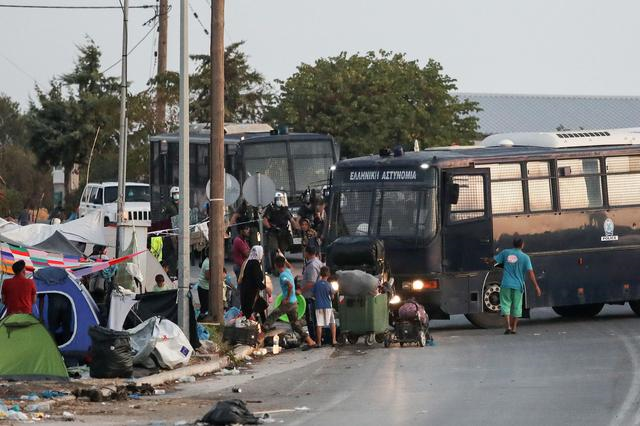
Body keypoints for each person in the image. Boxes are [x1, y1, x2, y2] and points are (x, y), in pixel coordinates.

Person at [489, 238, 542, 335]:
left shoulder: (505, 253)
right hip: (518, 286)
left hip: (506, 284)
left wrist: (486, 261)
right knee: (517, 307)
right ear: (522, 245)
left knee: (505, 305)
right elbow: (531, 273)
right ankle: (514, 328)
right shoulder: (525, 257)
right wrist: (536, 286)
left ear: (513, 244)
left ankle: (508, 326)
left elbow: (493, 261)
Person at [263, 256, 316, 350]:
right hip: (294, 302)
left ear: (275, 265)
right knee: (295, 325)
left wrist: (287, 298)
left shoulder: (283, 275)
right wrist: (283, 258)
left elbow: (290, 286)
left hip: (288, 303)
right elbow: (290, 266)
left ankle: (260, 335)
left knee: (274, 315)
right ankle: (310, 341)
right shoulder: (288, 271)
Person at [263, 192, 298, 273]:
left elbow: (292, 220)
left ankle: (281, 267)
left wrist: (297, 227)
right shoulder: (270, 209)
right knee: (274, 249)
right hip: (273, 232)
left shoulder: (285, 210)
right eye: (277, 199)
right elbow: (265, 220)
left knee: (282, 251)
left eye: (280, 199)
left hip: (283, 232)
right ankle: (274, 269)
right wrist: (271, 227)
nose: (279, 201)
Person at [238, 246, 268, 321]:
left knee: (261, 305)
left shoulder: (248, 261)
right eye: (262, 252)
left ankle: (265, 324)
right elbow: (257, 279)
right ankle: (255, 327)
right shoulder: (255, 263)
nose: (263, 254)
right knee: (249, 312)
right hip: (251, 293)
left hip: (248, 291)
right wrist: (265, 288)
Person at [300, 245, 323, 340]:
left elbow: (311, 283)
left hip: (310, 296)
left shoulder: (312, 266)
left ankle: (314, 339)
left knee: (311, 319)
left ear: (307, 253)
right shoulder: (317, 262)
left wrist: (300, 291)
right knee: (315, 318)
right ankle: (317, 338)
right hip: (315, 295)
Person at [313, 266, 337, 347]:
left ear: (320, 274)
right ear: (328, 274)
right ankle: (333, 340)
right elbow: (332, 296)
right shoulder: (329, 285)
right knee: (332, 323)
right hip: (327, 306)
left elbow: (314, 295)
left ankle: (319, 342)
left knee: (319, 324)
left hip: (318, 306)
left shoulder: (316, 284)